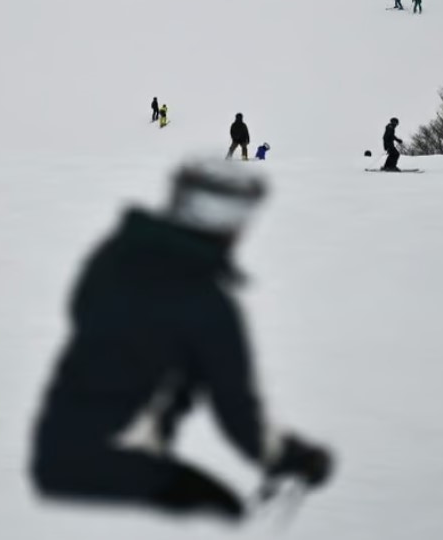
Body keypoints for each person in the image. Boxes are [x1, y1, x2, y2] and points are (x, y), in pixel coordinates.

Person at [30, 160, 333, 520]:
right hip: (117, 465)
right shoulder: (208, 305)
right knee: (225, 514)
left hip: (52, 453)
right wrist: (293, 458)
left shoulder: (114, 254)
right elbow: (237, 413)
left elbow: (81, 310)